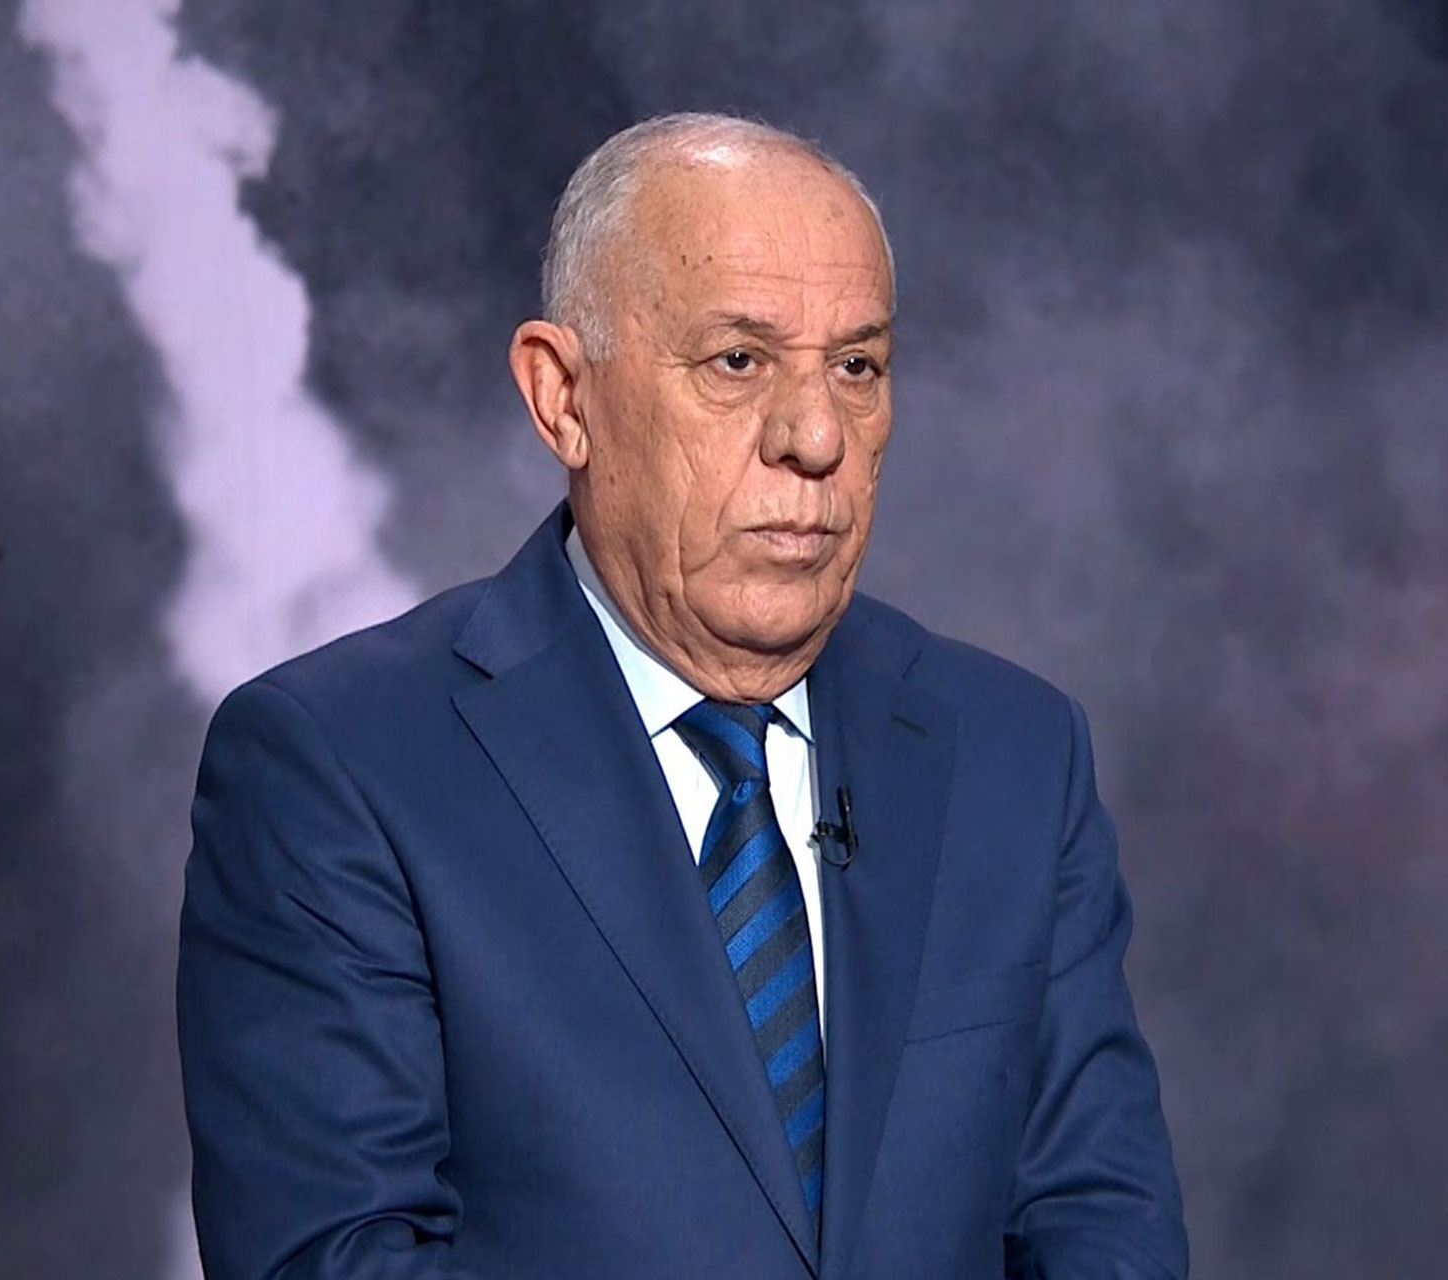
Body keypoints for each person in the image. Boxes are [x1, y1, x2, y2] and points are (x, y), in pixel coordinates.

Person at [178, 112, 1188, 1280]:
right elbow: (337, 1256)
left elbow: (1100, 1228)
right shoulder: (334, 766)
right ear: (563, 397)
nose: (816, 436)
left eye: (856, 367)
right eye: (738, 362)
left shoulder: (1016, 753)